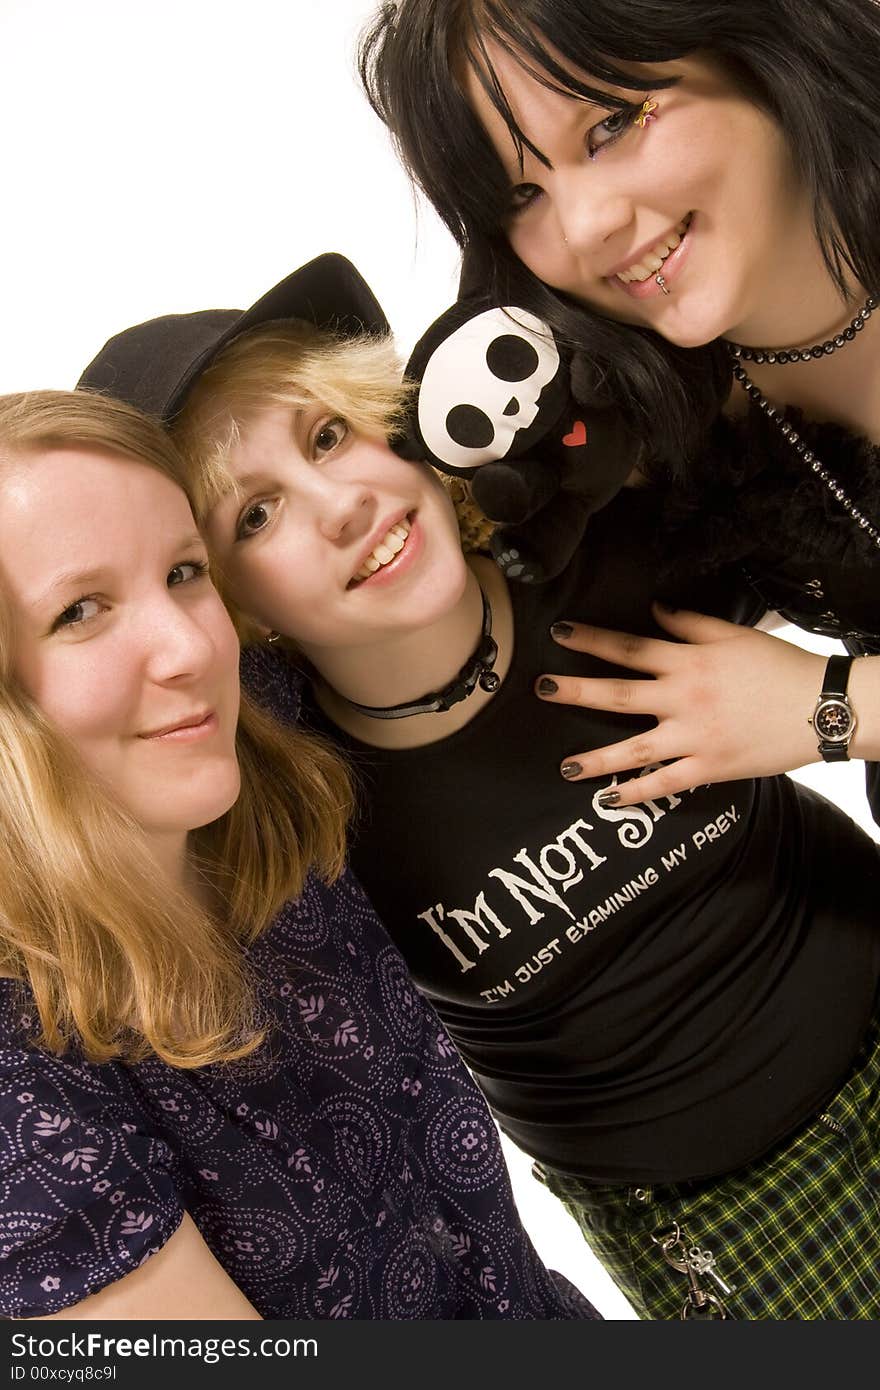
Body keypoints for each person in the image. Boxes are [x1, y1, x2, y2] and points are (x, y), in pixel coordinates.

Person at [79, 254, 880, 1319]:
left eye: (328, 436)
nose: (342, 505)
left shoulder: (608, 545)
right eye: (255, 516)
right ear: (221, 602)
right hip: (729, 1212)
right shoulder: (285, 806)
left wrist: (829, 705)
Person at [0, 384, 597, 1322]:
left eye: (185, 572)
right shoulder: (21, 1087)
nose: (188, 648)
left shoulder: (265, 735)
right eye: (81, 611)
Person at [357, 0, 880, 825]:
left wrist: (835, 707)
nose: (588, 226)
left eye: (610, 126)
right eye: (522, 195)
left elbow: (816, 704)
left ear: (755, 45)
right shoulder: (658, 428)